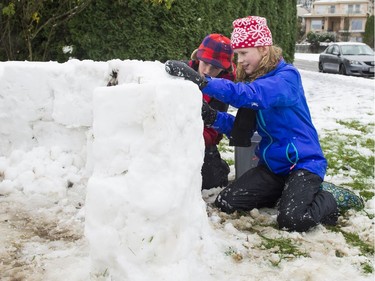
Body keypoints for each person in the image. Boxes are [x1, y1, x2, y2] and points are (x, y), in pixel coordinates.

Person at [165, 16, 363, 232]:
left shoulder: (285, 78)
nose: (239, 60)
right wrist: (211, 117)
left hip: (303, 164)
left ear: (263, 49)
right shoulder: (256, 80)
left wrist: (203, 82)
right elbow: (244, 129)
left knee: (292, 220)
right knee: (227, 202)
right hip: (273, 167)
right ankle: (290, 192)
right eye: (237, 54)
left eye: (243, 53)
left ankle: (328, 198)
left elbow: (252, 95)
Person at [187, 34, 237, 190]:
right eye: (205, 64)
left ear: (224, 68)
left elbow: (213, 130)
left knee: (210, 182)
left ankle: (219, 168)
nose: (207, 71)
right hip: (172, 134)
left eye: (214, 68)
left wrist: (190, 137)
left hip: (202, 141)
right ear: (198, 58)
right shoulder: (182, 73)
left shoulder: (224, 88)